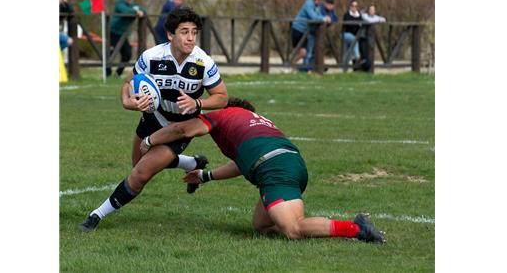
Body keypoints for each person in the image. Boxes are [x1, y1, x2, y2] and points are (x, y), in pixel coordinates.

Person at [136, 98, 385, 242]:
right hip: (290, 163)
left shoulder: (221, 115)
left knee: (292, 229)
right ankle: (299, 219)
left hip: (274, 168)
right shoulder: (254, 122)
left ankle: (355, 228)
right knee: (261, 226)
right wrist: (205, 176)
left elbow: (183, 130)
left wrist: (149, 140)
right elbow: (242, 164)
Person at [79, 7, 229, 232]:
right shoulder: (151, 57)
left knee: (140, 174)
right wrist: (128, 102)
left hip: (180, 127)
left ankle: (95, 216)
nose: (190, 38)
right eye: (184, 32)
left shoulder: (203, 63)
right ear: (170, 35)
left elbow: (222, 98)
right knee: (138, 166)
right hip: (152, 118)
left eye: (194, 32)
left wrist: (197, 103)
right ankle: (191, 163)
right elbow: (127, 84)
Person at [106, 0, 146, 77]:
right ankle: (107, 74)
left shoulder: (135, 5)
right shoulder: (119, 3)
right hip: (113, 32)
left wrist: (141, 11)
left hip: (123, 34)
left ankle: (118, 73)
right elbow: (125, 10)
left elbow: (144, 11)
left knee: (127, 54)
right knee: (110, 53)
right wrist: (136, 11)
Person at [290, 0, 331, 69]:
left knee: (304, 53)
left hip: (306, 31)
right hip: (298, 29)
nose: (316, 1)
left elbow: (318, 16)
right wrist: (324, 19)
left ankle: (293, 66)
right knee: (301, 52)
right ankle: (290, 64)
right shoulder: (308, 4)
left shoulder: (317, 7)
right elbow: (313, 16)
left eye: (318, 0)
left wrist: (326, 17)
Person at [303, 0, 339, 72]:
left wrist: (330, 19)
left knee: (318, 51)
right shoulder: (321, 8)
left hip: (321, 35)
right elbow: (319, 17)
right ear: (325, 4)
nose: (330, 6)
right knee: (310, 51)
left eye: (331, 5)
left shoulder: (331, 11)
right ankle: (305, 68)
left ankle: (314, 68)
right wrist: (326, 18)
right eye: (328, 4)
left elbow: (336, 18)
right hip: (312, 32)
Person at [342, 0, 364, 68]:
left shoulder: (359, 15)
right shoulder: (347, 14)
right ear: (350, 7)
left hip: (354, 35)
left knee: (349, 50)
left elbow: (361, 23)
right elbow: (349, 24)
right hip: (345, 34)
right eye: (353, 6)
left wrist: (357, 24)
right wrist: (357, 24)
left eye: (356, 6)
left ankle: (344, 64)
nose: (354, 7)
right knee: (355, 40)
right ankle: (357, 57)